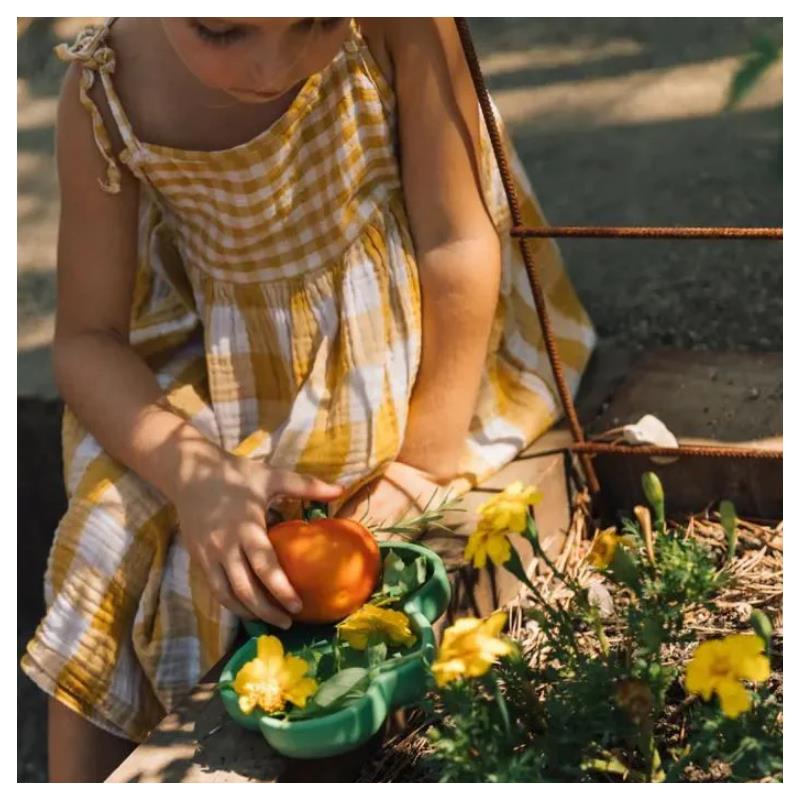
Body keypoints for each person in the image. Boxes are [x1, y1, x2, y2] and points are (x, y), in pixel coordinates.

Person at [21, 17, 596, 781]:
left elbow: (457, 241)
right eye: (222, 31)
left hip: (396, 347)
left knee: (268, 563)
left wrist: (421, 465)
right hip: (221, 366)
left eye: (315, 22)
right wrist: (195, 477)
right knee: (103, 538)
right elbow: (87, 339)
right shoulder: (106, 89)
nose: (272, 65)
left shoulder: (396, 24)